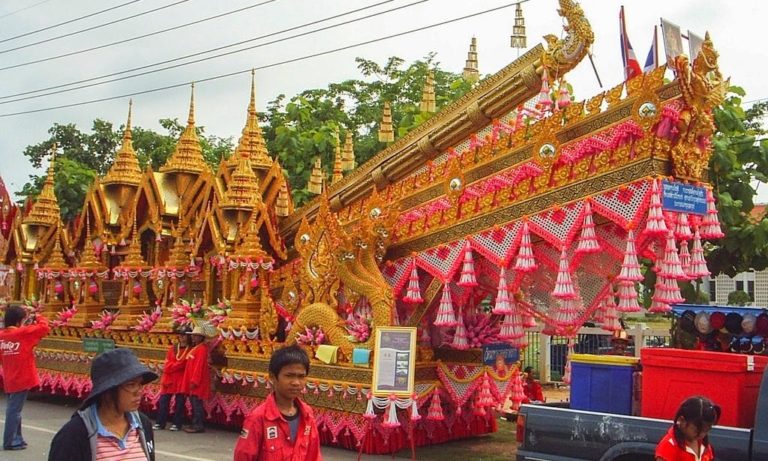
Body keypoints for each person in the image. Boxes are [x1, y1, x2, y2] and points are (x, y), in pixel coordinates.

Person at [48, 348, 158, 461]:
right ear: (108, 390)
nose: (139, 391)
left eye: (140, 384)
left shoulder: (142, 424)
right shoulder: (74, 435)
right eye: (131, 385)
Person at [234, 344, 321, 461]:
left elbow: (314, 455)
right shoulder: (258, 418)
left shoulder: (307, 415)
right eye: (289, 376)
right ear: (273, 377)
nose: (296, 382)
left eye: (301, 376)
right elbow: (243, 456)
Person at [0, 303, 50, 450]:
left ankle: (17, 437)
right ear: (18, 322)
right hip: (22, 377)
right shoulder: (22, 333)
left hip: (10, 376)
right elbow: (44, 327)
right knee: (14, 410)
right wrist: (37, 315)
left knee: (15, 409)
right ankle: (10, 440)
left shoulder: (2, 336)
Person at [655, 396, 721, 461]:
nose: (701, 435)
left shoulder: (703, 444)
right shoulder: (668, 447)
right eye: (696, 430)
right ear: (682, 421)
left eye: (706, 431)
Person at [153, 328, 190, 431]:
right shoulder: (173, 348)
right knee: (164, 401)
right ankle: (160, 423)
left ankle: (177, 424)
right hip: (169, 378)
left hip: (181, 379)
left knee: (179, 403)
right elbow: (168, 364)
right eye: (181, 335)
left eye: (184, 335)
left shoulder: (191, 349)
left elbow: (185, 364)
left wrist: (174, 365)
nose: (182, 337)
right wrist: (176, 365)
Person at [181, 325, 211, 433]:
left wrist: (194, 381)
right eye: (193, 336)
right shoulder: (197, 348)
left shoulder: (202, 349)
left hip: (197, 382)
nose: (193, 338)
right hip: (193, 380)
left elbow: (199, 366)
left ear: (200, 337)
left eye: (195, 336)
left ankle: (198, 425)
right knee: (195, 404)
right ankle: (195, 424)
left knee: (196, 404)